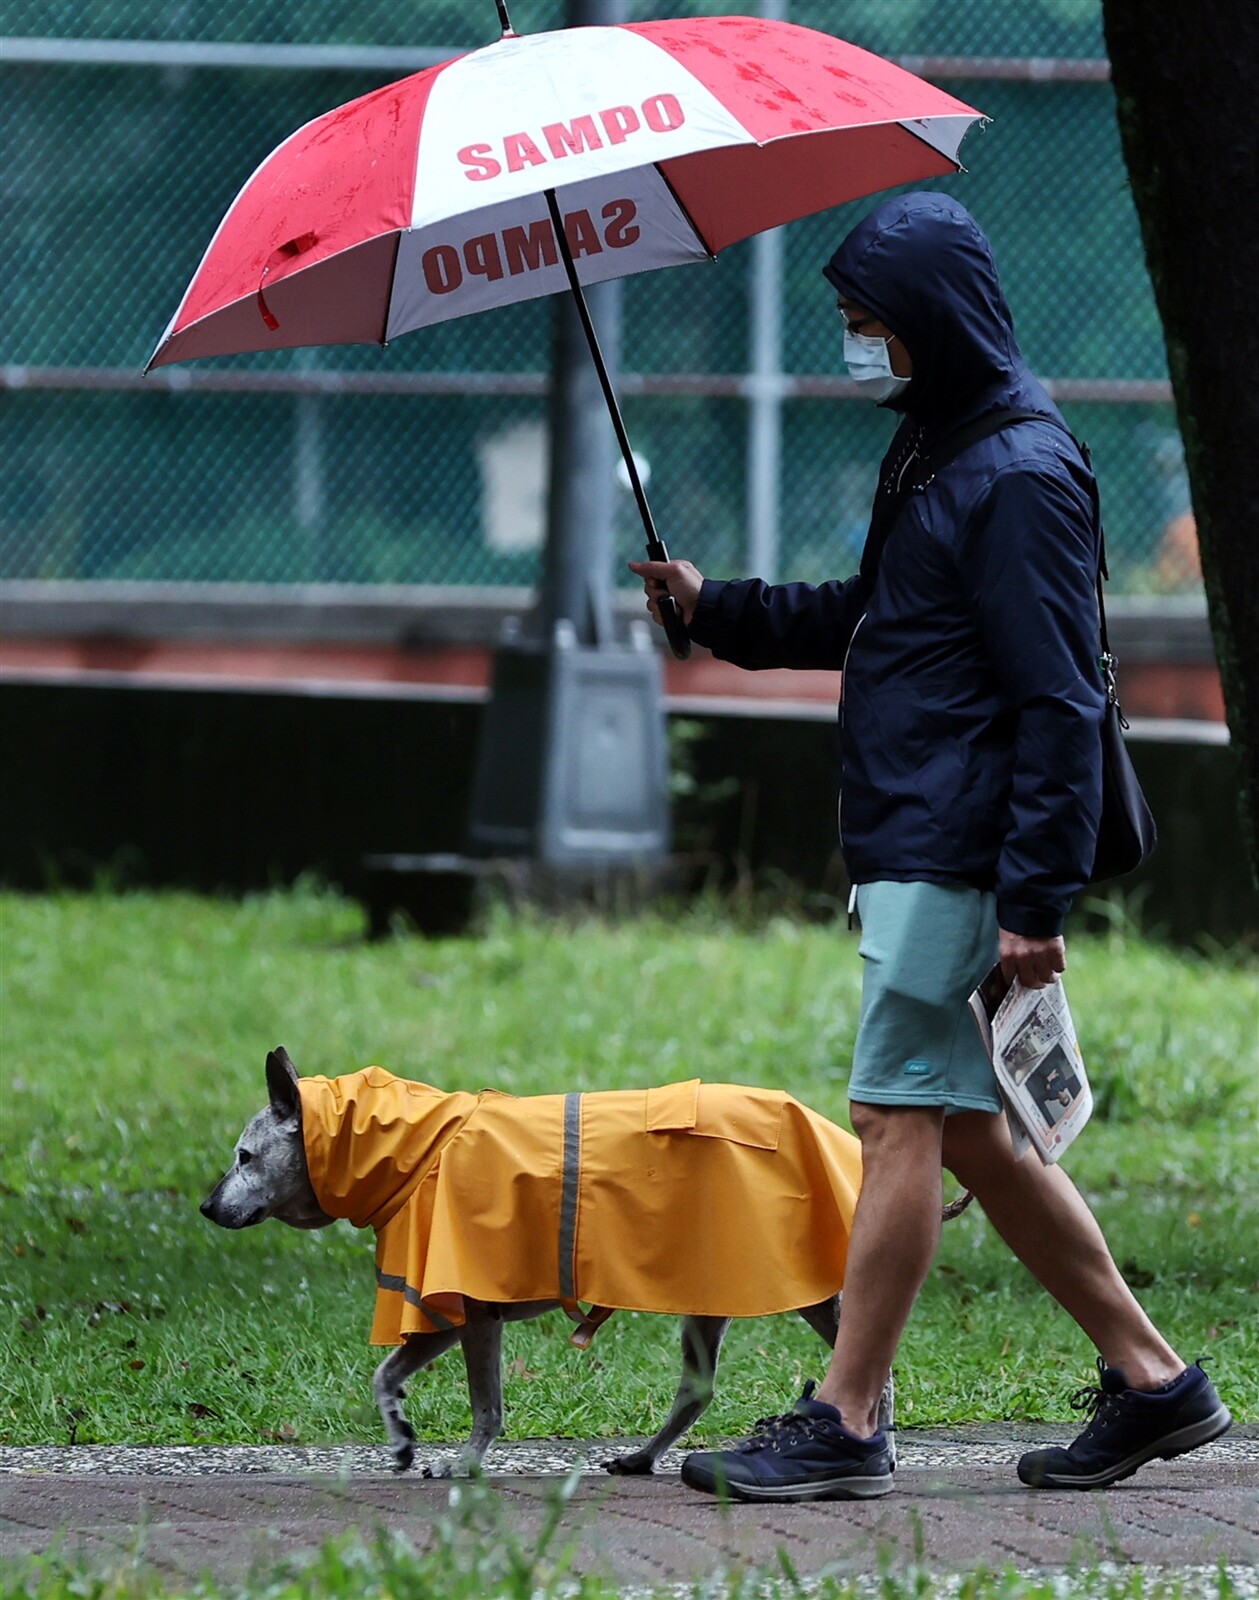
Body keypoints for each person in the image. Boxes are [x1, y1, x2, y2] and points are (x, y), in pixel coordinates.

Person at [629, 192, 1230, 1502]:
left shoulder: (1015, 473)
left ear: (932, 324)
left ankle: (846, 1418)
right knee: (969, 1137)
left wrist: (1034, 900)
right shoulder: (940, 450)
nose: (858, 349)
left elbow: (1062, 698)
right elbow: (873, 617)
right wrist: (714, 605)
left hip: (960, 856)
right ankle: (1153, 1381)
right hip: (921, 838)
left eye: (868, 326)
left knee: (895, 1120)